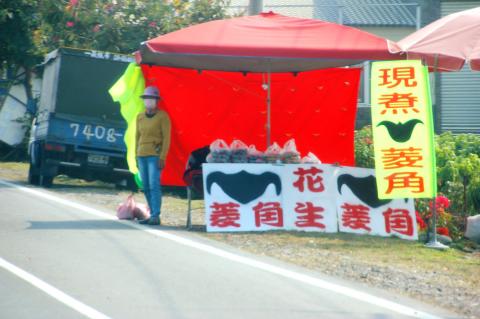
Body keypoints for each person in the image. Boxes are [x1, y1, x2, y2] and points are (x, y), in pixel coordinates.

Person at [136, 86, 171, 225]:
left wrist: (163, 157)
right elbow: (137, 136)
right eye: (146, 99)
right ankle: (152, 213)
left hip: (154, 155)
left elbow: (167, 138)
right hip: (141, 154)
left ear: (157, 101)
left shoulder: (163, 116)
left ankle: (156, 215)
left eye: (151, 99)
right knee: (144, 185)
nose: (148, 102)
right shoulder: (140, 116)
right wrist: (135, 154)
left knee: (154, 184)